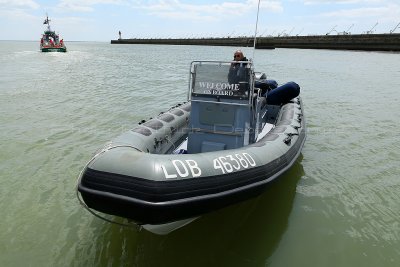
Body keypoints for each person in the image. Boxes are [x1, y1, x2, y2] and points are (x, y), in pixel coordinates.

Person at [229, 50, 300, 105]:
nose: (235, 58)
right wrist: (232, 69)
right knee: (292, 87)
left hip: (253, 88)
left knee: (273, 82)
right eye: (234, 56)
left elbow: (246, 77)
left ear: (242, 57)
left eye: (237, 56)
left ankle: (274, 91)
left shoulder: (246, 65)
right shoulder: (234, 68)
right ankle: (274, 93)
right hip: (257, 93)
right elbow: (232, 81)